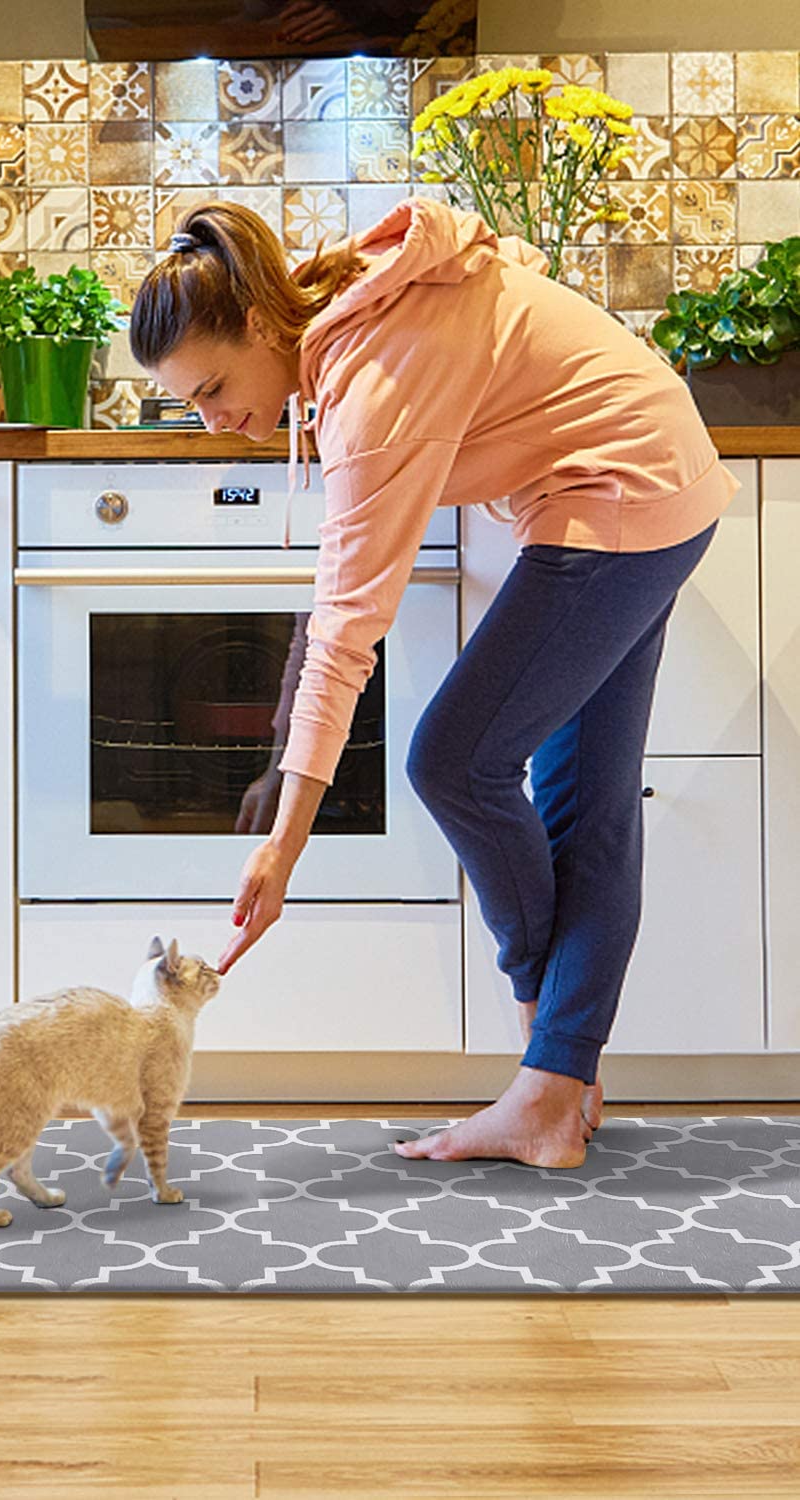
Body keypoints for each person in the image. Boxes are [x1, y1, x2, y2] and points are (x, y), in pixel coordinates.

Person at [127, 195, 740, 1171]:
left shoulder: (371, 383)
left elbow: (342, 634)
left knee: (455, 760)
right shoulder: (346, 307)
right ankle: (556, 1083)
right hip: (644, 478)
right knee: (588, 801)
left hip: (621, 489)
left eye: (211, 388)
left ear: (256, 325)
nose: (211, 420)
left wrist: (284, 846)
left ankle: (549, 1073)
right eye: (187, 404)